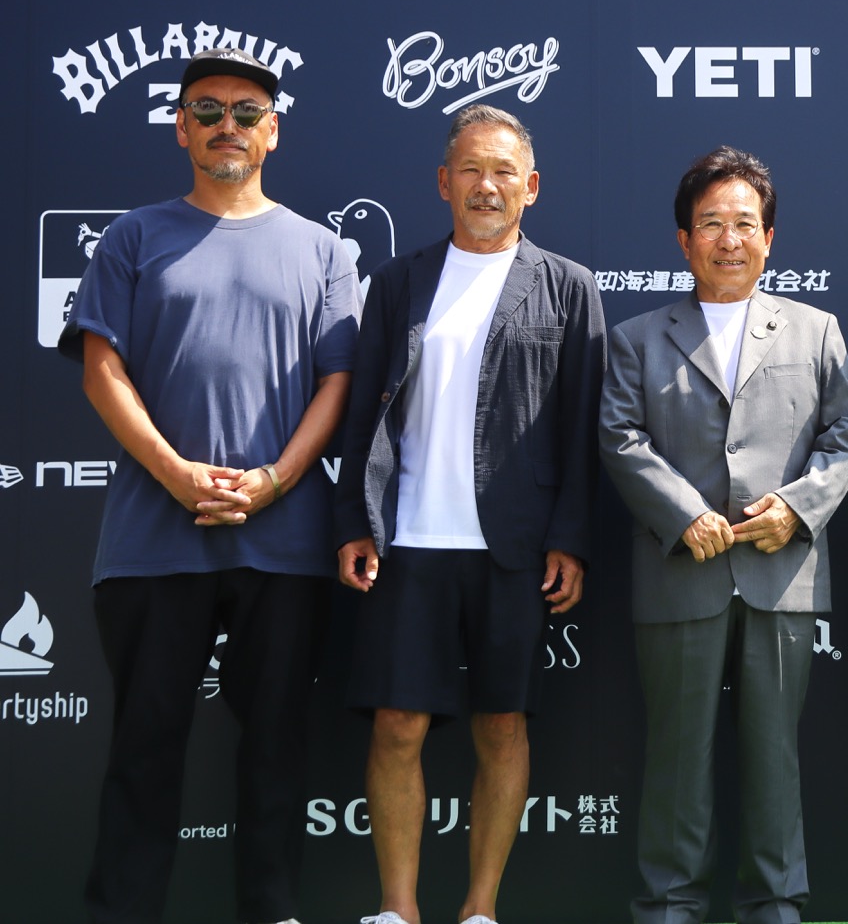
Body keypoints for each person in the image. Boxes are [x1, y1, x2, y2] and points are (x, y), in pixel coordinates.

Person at [59, 47, 360, 924]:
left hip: (285, 543)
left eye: (245, 111)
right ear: (180, 128)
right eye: (207, 110)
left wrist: (273, 481)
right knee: (145, 748)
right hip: (155, 540)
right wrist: (178, 474)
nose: (227, 124)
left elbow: (338, 383)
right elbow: (101, 369)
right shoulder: (131, 237)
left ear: (273, 132)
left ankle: (272, 910)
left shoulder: (324, 250)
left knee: (277, 748)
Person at [334, 104, 605, 924]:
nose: (487, 186)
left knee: (502, 726)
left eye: (503, 172)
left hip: (514, 547)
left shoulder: (568, 286)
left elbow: (582, 427)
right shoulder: (397, 282)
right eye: (471, 170)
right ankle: (397, 909)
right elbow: (361, 415)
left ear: (532, 185)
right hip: (406, 540)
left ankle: (480, 909)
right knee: (395, 725)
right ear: (443, 181)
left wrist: (571, 538)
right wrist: (354, 520)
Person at [598, 146, 848, 924]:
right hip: (680, 572)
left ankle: (775, 904)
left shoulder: (815, 330)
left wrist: (798, 509)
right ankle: (667, 905)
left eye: (745, 223)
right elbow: (619, 437)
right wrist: (684, 514)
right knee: (677, 756)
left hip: (780, 576)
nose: (729, 239)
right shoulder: (637, 337)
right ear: (684, 240)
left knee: (775, 757)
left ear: (769, 237)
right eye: (711, 223)